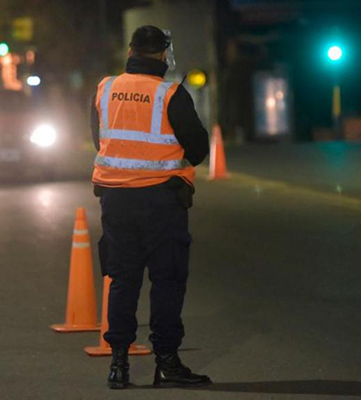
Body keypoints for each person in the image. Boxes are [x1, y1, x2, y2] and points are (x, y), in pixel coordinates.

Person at [90, 25, 211, 389]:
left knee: (123, 280)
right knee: (167, 280)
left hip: (116, 200)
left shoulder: (105, 89)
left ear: (131, 50)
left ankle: (119, 365)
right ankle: (167, 362)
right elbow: (199, 147)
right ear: (162, 55)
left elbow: (99, 138)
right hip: (162, 201)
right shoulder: (170, 94)